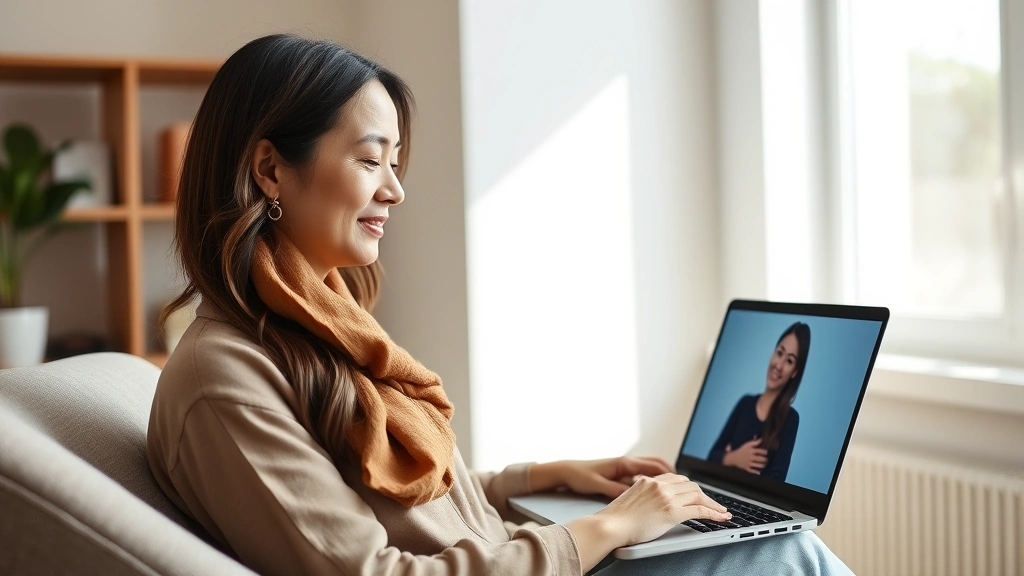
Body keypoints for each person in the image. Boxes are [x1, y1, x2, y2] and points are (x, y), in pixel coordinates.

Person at [146, 34, 851, 576]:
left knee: (784, 547)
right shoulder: (224, 379)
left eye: (396, 162)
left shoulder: (315, 328)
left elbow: (407, 505)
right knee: (785, 555)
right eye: (370, 160)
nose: (395, 190)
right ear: (270, 169)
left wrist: (545, 478)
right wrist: (606, 528)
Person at [708, 322, 811, 482]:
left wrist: (740, 468)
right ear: (773, 353)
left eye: (789, 361)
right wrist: (734, 458)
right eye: (779, 353)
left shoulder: (790, 419)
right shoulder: (745, 403)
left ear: (794, 372)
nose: (779, 364)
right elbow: (712, 457)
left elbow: (776, 480)